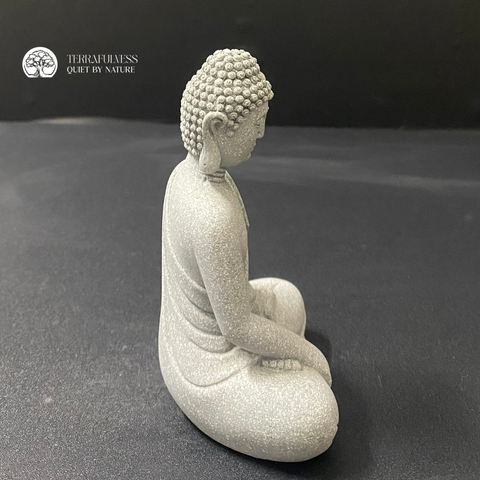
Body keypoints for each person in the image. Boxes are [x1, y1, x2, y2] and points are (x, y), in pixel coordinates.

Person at [159, 49, 338, 462]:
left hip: (215, 324)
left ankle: (271, 363)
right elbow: (237, 328)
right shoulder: (211, 216)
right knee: (317, 416)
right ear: (216, 127)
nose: (261, 134)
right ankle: (264, 371)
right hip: (207, 364)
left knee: (287, 296)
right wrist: (308, 354)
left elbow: (233, 299)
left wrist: (271, 330)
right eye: (255, 124)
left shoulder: (186, 174)